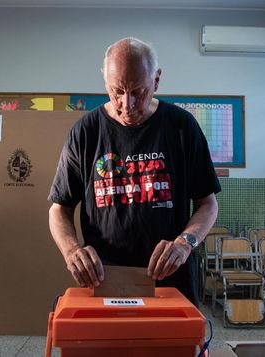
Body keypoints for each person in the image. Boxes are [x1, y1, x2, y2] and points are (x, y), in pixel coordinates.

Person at [48, 37, 220, 306]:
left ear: (157, 80)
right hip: (106, 281)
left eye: (138, 92)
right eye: (116, 91)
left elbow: (207, 204)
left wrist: (185, 242)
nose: (126, 104)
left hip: (171, 280)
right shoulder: (86, 132)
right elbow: (59, 209)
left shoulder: (181, 127)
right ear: (105, 80)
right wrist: (72, 251)